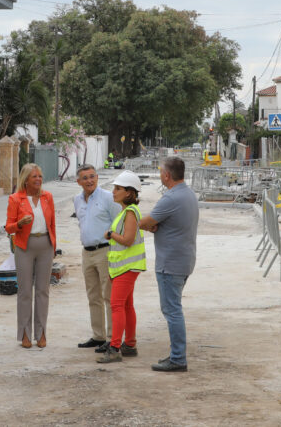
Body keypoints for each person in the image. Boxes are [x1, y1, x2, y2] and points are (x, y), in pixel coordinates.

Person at [138, 156, 198, 372]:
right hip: (183, 259)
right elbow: (164, 223)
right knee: (174, 309)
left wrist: (151, 226)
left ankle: (178, 358)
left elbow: (144, 222)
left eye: (161, 171)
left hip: (170, 263)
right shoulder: (188, 194)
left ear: (167, 175)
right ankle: (176, 355)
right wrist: (157, 226)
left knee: (172, 311)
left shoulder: (170, 198)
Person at [5, 163, 57, 348]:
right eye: (34, 176)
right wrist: (19, 223)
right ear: (26, 179)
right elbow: (8, 227)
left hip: (45, 245)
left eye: (40, 176)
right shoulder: (15, 199)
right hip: (24, 246)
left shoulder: (47, 197)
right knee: (25, 291)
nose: (38, 179)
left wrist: (54, 246)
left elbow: (52, 225)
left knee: (43, 291)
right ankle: (25, 334)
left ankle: (41, 333)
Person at [97, 170, 146, 364]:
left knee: (117, 306)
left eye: (117, 188)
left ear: (128, 192)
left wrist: (110, 235)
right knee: (126, 305)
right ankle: (130, 344)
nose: (114, 192)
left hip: (127, 267)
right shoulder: (126, 212)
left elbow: (127, 240)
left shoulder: (130, 213)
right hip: (124, 267)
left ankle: (115, 347)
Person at [73, 165, 122, 352]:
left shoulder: (108, 198)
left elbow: (118, 224)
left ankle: (111, 339)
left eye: (92, 176)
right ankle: (98, 335)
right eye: (84, 178)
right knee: (93, 296)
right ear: (79, 182)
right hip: (87, 253)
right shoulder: (77, 200)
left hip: (105, 251)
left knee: (109, 296)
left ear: (98, 177)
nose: (89, 181)